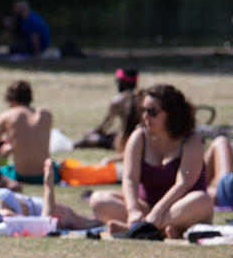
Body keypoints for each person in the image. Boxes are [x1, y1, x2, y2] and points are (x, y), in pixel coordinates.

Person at [89, 84, 213, 239]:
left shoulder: (191, 142)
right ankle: (159, 229)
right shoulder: (139, 137)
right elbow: (130, 179)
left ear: (172, 114)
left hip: (181, 208)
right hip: (146, 208)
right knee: (98, 200)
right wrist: (133, 210)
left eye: (152, 112)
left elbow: (184, 183)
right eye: (144, 110)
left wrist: (157, 212)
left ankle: (136, 229)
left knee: (202, 200)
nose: (145, 117)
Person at [0, 80, 55, 184]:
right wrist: (13, 148)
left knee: (0, 171)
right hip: (46, 175)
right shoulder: (46, 114)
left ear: (11, 99)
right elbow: (34, 141)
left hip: (20, 176)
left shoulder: (7, 116)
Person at [74, 68, 140, 152]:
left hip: (126, 140)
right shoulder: (143, 96)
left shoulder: (118, 100)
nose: (117, 83)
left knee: (90, 138)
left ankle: (72, 145)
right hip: (142, 137)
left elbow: (105, 125)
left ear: (124, 82)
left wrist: (93, 132)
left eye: (118, 81)